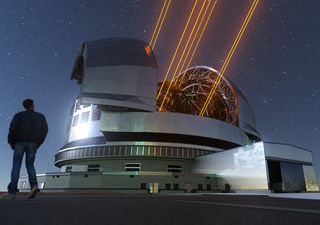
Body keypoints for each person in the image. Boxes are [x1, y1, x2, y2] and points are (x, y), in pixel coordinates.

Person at [1, 99, 48, 200]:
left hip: (19, 142)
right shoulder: (40, 117)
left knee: (16, 166)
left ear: (24, 106)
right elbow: (45, 131)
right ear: (33, 105)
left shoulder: (19, 115)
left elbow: (12, 128)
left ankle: (12, 192)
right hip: (33, 143)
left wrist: (11, 142)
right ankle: (34, 186)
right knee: (30, 165)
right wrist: (38, 143)